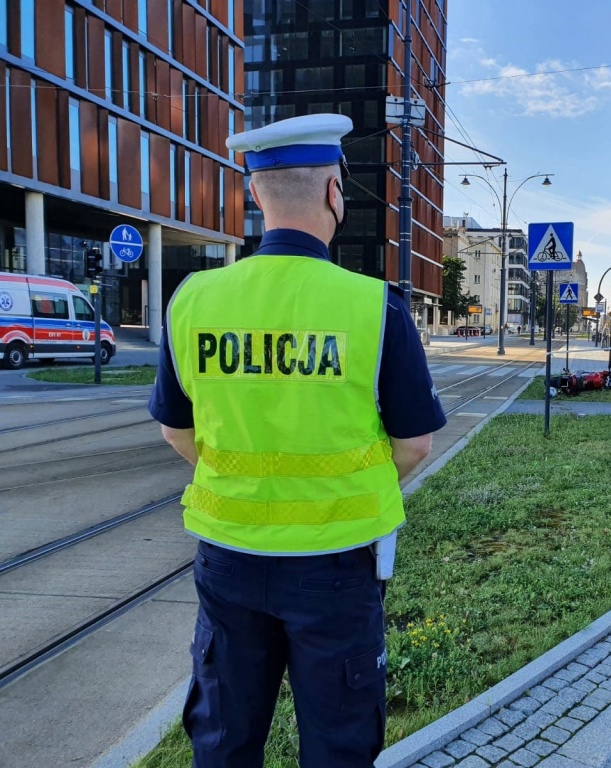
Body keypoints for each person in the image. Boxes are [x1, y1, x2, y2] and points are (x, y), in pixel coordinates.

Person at [147, 113, 447, 767]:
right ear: (335, 192)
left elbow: (176, 429)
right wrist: (336, 491)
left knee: (225, 739)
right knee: (339, 743)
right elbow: (415, 445)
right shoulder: (375, 307)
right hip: (336, 564)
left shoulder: (193, 300)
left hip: (227, 559)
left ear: (256, 195)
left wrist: (249, 486)